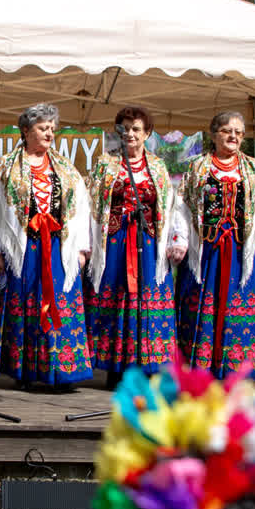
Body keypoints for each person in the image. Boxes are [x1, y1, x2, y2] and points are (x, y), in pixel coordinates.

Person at [0, 103, 93, 391]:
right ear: (26, 131)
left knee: (61, 303)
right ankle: (26, 372)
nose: (49, 133)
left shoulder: (66, 169)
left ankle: (61, 372)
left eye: (52, 129)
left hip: (58, 248)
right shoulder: (5, 168)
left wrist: (82, 248)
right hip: (26, 248)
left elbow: (81, 209)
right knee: (26, 305)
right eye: (43, 128)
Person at [170, 111, 255, 380]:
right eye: (228, 131)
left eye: (239, 133)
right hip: (207, 253)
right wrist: (181, 240)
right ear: (214, 134)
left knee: (243, 309)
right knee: (202, 309)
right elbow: (182, 207)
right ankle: (201, 370)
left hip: (244, 254)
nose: (234, 137)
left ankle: (245, 373)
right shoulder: (197, 167)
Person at [84, 106, 178, 387]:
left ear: (147, 133)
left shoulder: (158, 167)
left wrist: (172, 241)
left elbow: (169, 207)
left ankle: (146, 365)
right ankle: (115, 367)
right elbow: (91, 204)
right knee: (115, 300)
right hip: (114, 243)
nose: (130, 134)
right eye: (125, 128)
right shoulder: (105, 164)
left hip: (147, 244)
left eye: (136, 129)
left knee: (146, 301)